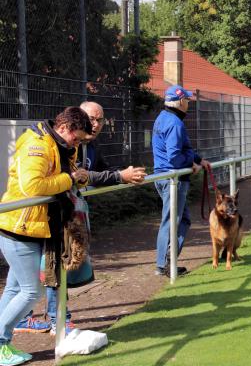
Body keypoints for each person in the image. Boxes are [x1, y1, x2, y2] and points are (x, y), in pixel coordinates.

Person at [14, 101, 147, 336]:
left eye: (99, 120)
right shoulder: (46, 142)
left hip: (58, 214)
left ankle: (22, 321)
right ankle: (56, 319)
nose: (95, 125)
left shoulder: (87, 144)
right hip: (36, 216)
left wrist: (119, 174)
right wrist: (114, 176)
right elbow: (48, 180)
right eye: (91, 119)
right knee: (49, 269)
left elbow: (91, 173)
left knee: (28, 276)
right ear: (74, 121)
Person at [0, 107, 92, 365]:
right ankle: (1, 343)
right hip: (19, 227)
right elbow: (33, 186)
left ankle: (1, 341)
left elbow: (67, 177)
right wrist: (69, 178)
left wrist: (79, 179)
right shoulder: (37, 144)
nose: (78, 143)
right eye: (77, 138)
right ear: (65, 128)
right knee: (32, 291)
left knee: (15, 288)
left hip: (32, 226)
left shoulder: (62, 145)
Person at [152, 85, 210, 277]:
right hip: (173, 179)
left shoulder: (164, 118)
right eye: (187, 100)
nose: (188, 104)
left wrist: (198, 159)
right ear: (179, 101)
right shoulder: (175, 123)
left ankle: (168, 262)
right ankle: (165, 265)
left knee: (181, 219)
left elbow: (183, 149)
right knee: (172, 220)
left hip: (166, 176)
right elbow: (175, 156)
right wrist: (191, 165)